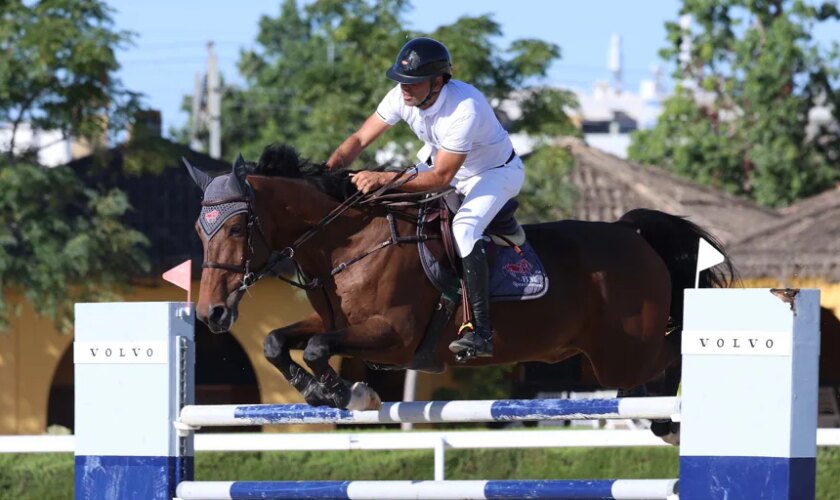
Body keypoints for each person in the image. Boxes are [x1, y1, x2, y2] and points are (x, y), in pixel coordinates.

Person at [325, 37, 525, 361]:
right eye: (402, 80)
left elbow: (441, 178)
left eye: (413, 83)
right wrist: (327, 170)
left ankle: (480, 332)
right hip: (443, 165)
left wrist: (382, 177)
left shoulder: (464, 108)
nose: (405, 89)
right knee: (387, 204)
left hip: (493, 173)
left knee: (464, 229)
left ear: (437, 82)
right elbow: (360, 138)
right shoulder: (402, 96)